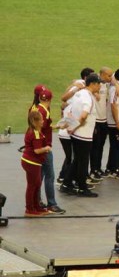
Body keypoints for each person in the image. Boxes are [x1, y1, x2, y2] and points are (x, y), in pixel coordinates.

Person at [60, 73, 101, 197]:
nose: (100, 87)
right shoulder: (88, 97)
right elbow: (83, 116)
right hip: (83, 135)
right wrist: (74, 127)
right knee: (82, 161)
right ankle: (82, 188)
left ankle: (67, 183)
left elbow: (70, 111)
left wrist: (71, 127)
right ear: (93, 84)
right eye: (99, 84)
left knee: (77, 160)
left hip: (76, 134)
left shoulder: (79, 93)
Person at [30, 86, 65, 214]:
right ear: (50, 99)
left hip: (40, 148)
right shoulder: (43, 111)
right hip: (44, 148)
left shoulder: (36, 108)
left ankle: (37, 202)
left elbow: (43, 127)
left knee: (40, 176)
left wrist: (55, 126)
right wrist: (45, 146)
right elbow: (40, 130)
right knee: (49, 176)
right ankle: (52, 204)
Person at [22, 110, 53, 216]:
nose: (43, 121)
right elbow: (37, 150)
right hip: (32, 162)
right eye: (41, 119)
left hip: (32, 162)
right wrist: (47, 148)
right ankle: (29, 209)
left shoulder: (33, 130)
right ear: (36, 121)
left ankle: (37, 207)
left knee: (37, 184)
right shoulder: (35, 133)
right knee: (32, 185)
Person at [89, 67, 113, 181]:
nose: (110, 78)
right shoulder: (94, 85)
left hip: (104, 120)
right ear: (102, 74)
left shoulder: (106, 84)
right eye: (108, 75)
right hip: (96, 120)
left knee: (101, 146)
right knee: (95, 147)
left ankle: (98, 168)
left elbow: (114, 81)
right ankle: (93, 170)